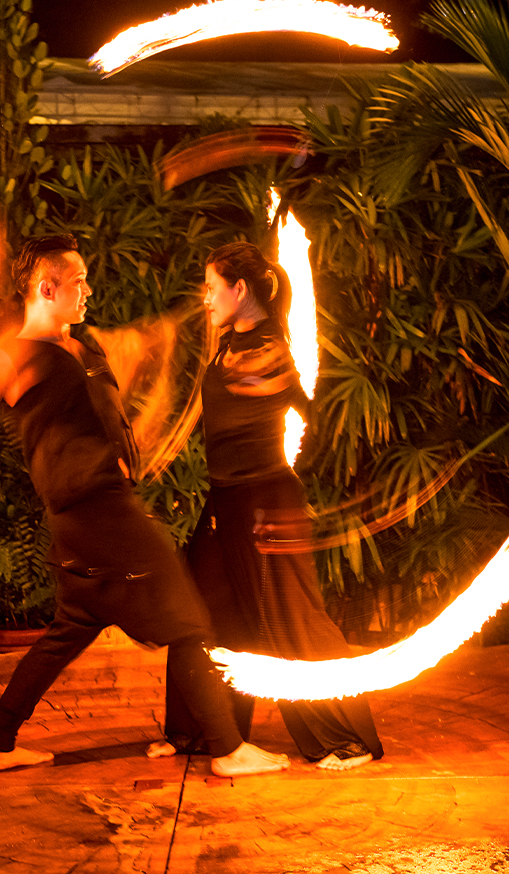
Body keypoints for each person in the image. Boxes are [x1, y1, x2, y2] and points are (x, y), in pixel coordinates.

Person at [0, 234, 290, 778]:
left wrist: (155, 397)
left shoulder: (81, 349)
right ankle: (229, 749)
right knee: (190, 620)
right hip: (96, 512)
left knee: (69, 629)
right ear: (46, 287)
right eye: (78, 282)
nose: (88, 290)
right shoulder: (20, 355)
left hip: (95, 509)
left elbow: (110, 422)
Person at [150, 241, 384, 771]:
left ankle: (346, 737)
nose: (205, 298)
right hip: (225, 501)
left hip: (267, 504)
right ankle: (201, 732)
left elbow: (285, 397)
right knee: (202, 615)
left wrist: (275, 388)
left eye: (213, 288)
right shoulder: (229, 343)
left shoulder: (269, 350)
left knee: (291, 621)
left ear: (240, 290)